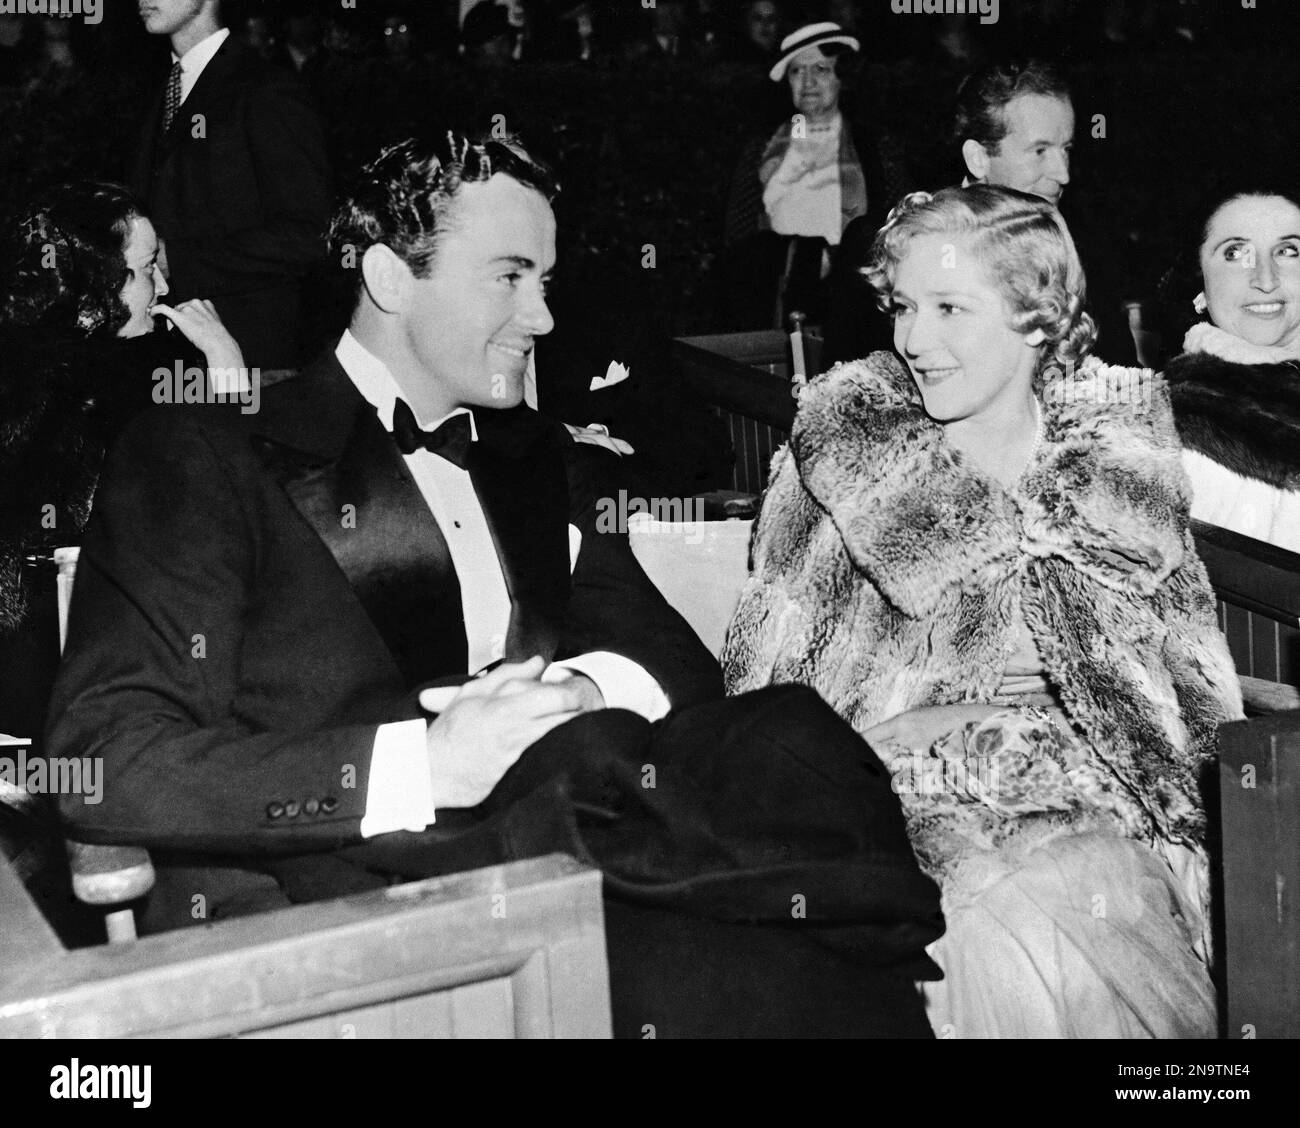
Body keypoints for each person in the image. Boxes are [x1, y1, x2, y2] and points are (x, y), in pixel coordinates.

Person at [48, 134, 943, 1039]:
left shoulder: (539, 459)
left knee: (826, 924)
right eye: (510, 277)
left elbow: (677, 664)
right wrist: (426, 765)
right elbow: (106, 761)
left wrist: (574, 691)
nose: (544, 318)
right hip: (364, 912)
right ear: (393, 279)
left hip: (580, 856)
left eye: (545, 282)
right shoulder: (204, 455)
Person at [723, 185, 1243, 1038]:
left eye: (949, 308)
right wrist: (928, 734)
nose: (913, 339)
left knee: (1077, 885)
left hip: (1115, 823)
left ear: (1037, 316)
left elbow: (1195, 685)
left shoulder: (1121, 471)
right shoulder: (847, 466)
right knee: (1013, 923)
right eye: (902, 307)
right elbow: (764, 712)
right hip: (900, 812)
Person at [0, 181, 246, 740]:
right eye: (146, 268)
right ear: (94, 287)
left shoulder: (31, 363)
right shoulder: (134, 381)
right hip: (80, 693)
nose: (164, 285)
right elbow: (232, 512)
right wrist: (229, 370)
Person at [827, 57, 1138, 368]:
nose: (1063, 174)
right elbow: (850, 394)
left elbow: (1120, 381)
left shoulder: (1084, 248)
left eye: (1066, 150)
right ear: (978, 159)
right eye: (1040, 151)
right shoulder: (888, 246)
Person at [130, 0, 332, 370]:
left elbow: (310, 234)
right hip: (171, 357)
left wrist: (179, 259)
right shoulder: (155, 88)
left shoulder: (266, 88)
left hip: (250, 358)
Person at [719, 21, 910, 332]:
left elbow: (899, 225)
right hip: (774, 287)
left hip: (851, 290)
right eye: (796, 71)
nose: (807, 81)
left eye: (820, 69)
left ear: (841, 78)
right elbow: (737, 236)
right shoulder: (763, 146)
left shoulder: (874, 144)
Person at [1160, 181, 1300, 552]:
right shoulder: (1172, 427)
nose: (1265, 279)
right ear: (1199, 284)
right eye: (1235, 253)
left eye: (1288, 251)